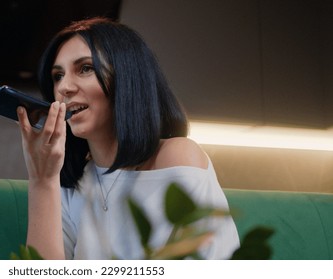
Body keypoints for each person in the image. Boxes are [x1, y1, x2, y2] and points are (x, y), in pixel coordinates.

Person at [16, 17, 239, 260]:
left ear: (127, 78)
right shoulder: (71, 182)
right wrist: (42, 179)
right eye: (58, 76)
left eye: (85, 68)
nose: (64, 87)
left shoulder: (177, 156)